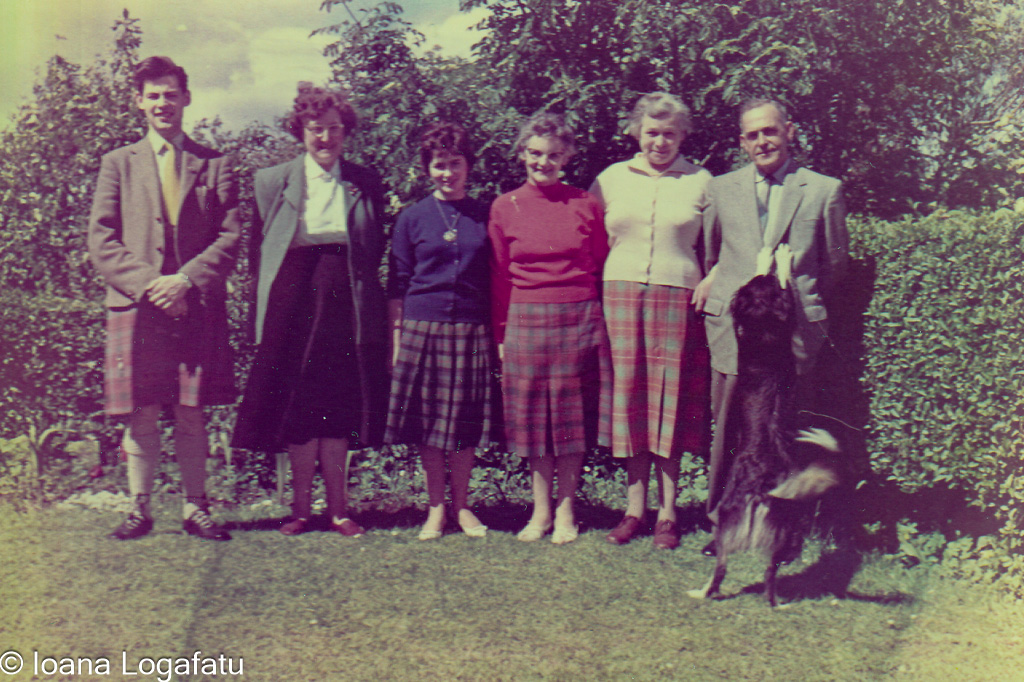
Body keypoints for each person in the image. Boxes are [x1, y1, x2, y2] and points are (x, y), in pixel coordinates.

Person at [88, 56, 240, 541]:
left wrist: (186, 281)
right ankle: (139, 508)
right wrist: (154, 285)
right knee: (143, 409)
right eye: (153, 95)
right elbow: (102, 239)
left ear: (186, 98)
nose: (162, 103)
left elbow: (231, 237)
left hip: (195, 304)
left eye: (170, 94)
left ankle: (197, 508)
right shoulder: (117, 164)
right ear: (139, 102)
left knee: (192, 410)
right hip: (137, 306)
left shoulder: (215, 164)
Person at [232, 83, 389, 537]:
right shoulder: (270, 181)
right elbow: (260, 257)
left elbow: (372, 250)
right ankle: (300, 510)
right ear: (300, 131)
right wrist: (257, 318)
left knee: (338, 403)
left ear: (346, 132)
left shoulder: (366, 181)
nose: (325, 139)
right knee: (299, 403)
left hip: (344, 295)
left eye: (334, 129)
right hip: (292, 295)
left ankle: (339, 510)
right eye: (316, 130)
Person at [694, 97, 849, 553]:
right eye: (752, 134)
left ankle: (788, 529)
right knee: (729, 425)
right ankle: (721, 524)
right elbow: (713, 255)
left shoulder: (823, 189)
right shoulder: (721, 189)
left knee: (786, 428)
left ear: (790, 131)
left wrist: (800, 299)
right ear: (742, 142)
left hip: (796, 331)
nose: (762, 141)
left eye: (770, 131)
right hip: (736, 330)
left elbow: (835, 265)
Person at [589, 93, 712, 550]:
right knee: (631, 400)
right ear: (637, 133)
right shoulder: (610, 179)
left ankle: (668, 513)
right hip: (620, 294)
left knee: (669, 401)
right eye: (652, 132)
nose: (660, 142)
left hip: (677, 295)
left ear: (683, 136)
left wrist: (712, 277)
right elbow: (589, 238)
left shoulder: (702, 181)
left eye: (670, 133)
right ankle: (633, 509)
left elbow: (723, 244)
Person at [488, 111, 612, 544]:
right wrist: (502, 333)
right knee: (534, 421)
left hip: (577, 316)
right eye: (535, 154)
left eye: (554, 155)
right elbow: (500, 275)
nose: (544, 162)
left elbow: (596, 261)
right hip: (525, 318)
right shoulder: (505, 206)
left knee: (571, 420)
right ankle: (539, 512)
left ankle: (566, 512)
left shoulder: (584, 203)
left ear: (568, 157)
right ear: (522, 153)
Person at [385, 122, 500, 540]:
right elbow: (397, 283)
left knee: (465, 422)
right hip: (422, 325)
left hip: (471, 327)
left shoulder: (488, 213)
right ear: (426, 169)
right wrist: (396, 342)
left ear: (468, 165)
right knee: (429, 422)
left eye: (455, 163)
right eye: (439, 165)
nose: (448, 172)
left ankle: (464, 505)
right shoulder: (411, 218)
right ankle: (436, 507)